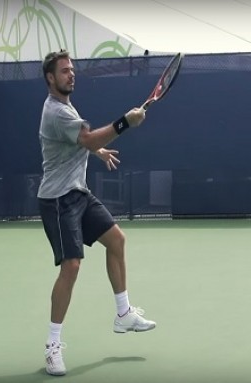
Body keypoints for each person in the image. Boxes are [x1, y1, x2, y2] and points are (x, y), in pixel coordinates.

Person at [37, 50, 156, 376]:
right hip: (58, 200)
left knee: (116, 240)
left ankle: (123, 314)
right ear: (51, 78)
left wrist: (97, 150)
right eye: (64, 71)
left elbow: (80, 142)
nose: (71, 75)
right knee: (71, 266)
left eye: (72, 70)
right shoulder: (56, 111)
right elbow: (85, 137)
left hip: (78, 193)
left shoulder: (67, 107)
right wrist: (125, 123)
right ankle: (52, 346)